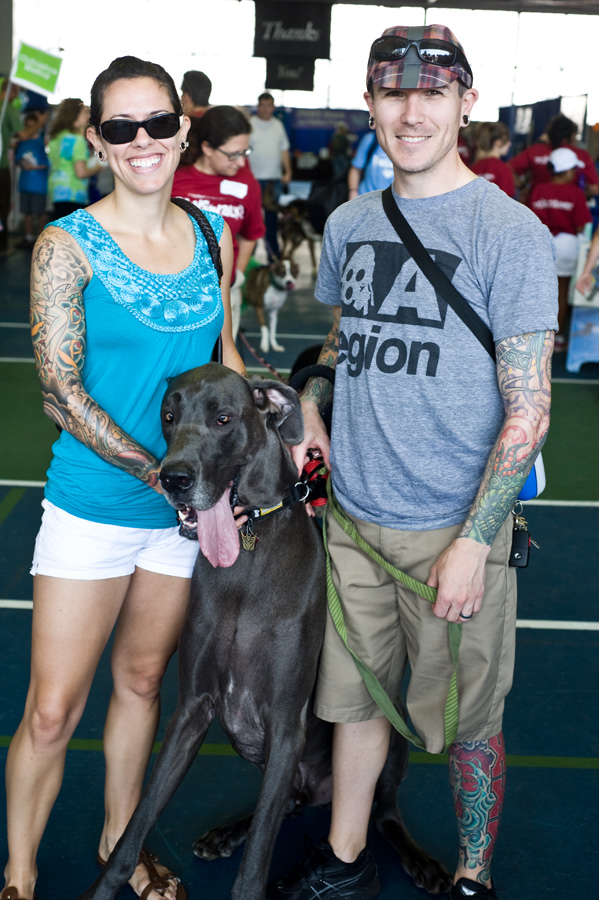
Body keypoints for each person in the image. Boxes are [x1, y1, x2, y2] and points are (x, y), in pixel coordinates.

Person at [268, 23, 557, 900]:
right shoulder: (353, 219)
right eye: (392, 92)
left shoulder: (506, 230)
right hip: (351, 518)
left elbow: (530, 409)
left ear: (466, 102)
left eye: (431, 92)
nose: (411, 110)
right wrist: (312, 416)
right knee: (351, 707)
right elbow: (341, 340)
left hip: (453, 527)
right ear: (370, 103)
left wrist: (475, 540)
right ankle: (345, 855)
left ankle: (471, 872)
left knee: (469, 722)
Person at [2, 54, 246, 900]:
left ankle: (123, 847)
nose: (141, 141)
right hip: (97, 506)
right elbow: (60, 391)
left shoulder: (213, 232)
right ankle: (20, 875)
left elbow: (225, 362)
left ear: (183, 129)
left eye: (156, 123)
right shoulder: (66, 246)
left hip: (187, 518)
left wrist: (268, 444)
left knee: (144, 684)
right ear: (98, 141)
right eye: (120, 128)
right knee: (51, 711)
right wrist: (163, 473)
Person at [172, 104, 265, 339]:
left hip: (224, 292)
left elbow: (250, 235)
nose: (241, 162)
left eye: (245, 152)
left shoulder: (247, 185)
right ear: (207, 148)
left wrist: (237, 276)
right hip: (174, 293)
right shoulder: (174, 179)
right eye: (233, 154)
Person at [529, 146, 592, 351]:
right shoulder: (575, 192)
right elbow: (582, 224)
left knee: (537, 291)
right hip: (567, 245)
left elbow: (530, 219)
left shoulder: (538, 189)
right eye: (573, 170)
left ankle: (532, 335)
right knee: (561, 292)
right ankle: (557, 339)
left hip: (539, 243)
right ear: (565, 171)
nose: (575, 173)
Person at [511, 113, 599, 203]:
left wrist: (522, 188)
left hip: (536, 206)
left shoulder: (535, 151)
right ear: (572, 135)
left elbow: (507, 169)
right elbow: (594, 189)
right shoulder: (581, 155)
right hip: (569, 209)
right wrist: (574, 197)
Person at [248, 92, 292, 259]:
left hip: (274, 180)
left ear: (273, 107)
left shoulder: (278, 126)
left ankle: (273, 257)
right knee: (251, 220)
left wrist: (288, 171)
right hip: (253, 179)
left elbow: (284, 150)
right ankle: (248, 258)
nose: (266, 109)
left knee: (272, 221)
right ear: (258, 107)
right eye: (263, 105)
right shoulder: (250, 124)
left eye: (269, 105)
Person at [47, 97, 102, 217]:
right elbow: (81, 172)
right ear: (74, 114)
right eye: (85, 112)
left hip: (57, 191)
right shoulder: (77, 140)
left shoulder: (56, 137)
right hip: (74, 192)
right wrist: (99, 167)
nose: (88, 116)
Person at [14, 111, 49, 248]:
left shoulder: (41, 142)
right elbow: (18, 161)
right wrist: (23, 165)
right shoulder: (22, 143)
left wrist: (35, 167)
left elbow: (47, 162)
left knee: (40, 212)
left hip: (39, 184)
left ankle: (41, 237)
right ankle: (28, 237)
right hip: (25, 183)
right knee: (27, 211)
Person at [0, 78, 23, 255]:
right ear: (12, 92)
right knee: (3, 206)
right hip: (2, 165)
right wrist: (41, 121)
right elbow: (22, 133)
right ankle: (3, 246)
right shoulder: (8, 108)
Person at [469, 121, 515, 197]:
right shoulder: (503, 169)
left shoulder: (472, 168)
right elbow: (507, 203)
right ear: (498, 143)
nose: (510, 144)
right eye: (507, 141)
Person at [347, 128, 393, 198]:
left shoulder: (406, 142)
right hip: (365, 197)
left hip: (394, 202)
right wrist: (353, 191)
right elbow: (356, 169)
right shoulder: (370, 139)